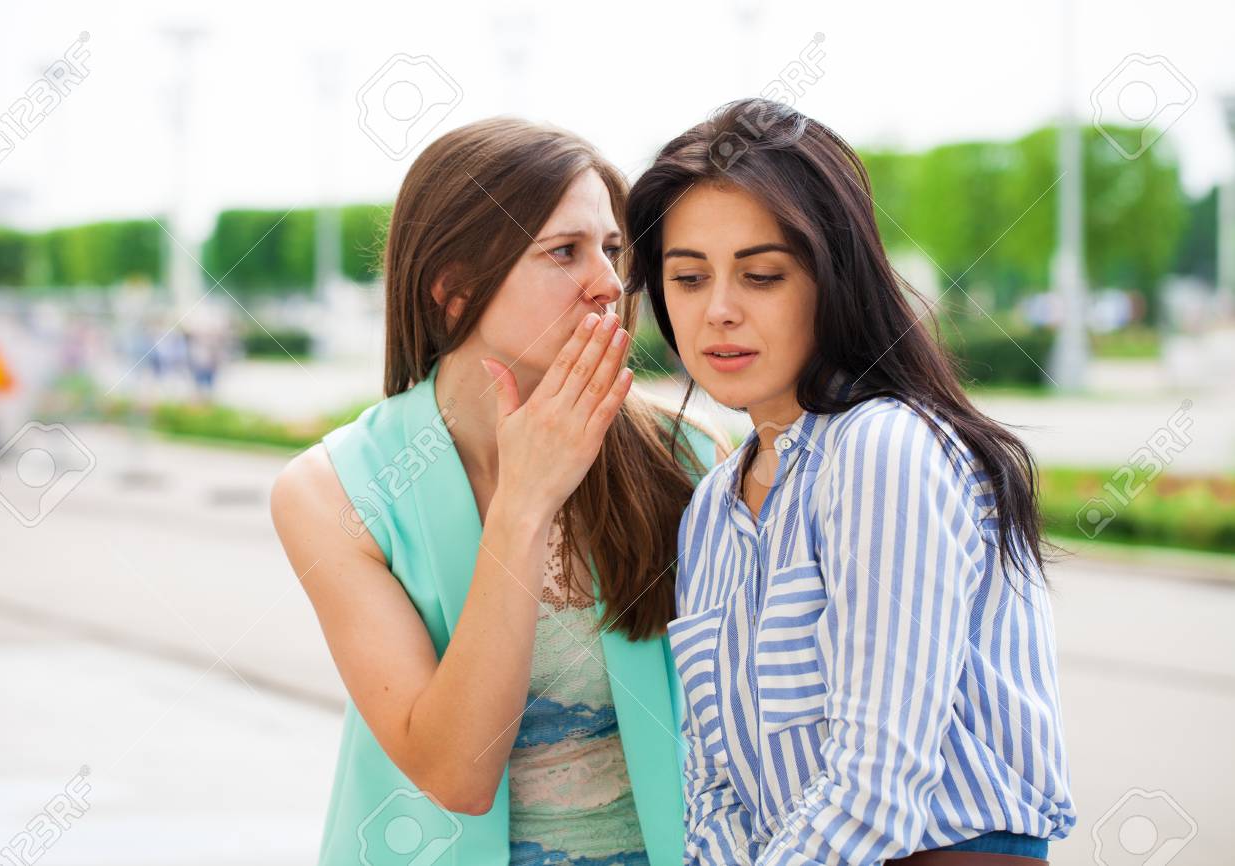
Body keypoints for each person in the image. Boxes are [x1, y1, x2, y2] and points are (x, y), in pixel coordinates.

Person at [625, 99, 1076, 865]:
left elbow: (874, 787)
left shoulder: (882, 449)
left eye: (762, 275)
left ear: (833, 276)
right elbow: (715, 788)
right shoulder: (711, 509)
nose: (719, 310)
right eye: (689, 277)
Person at [271, 117, 727, 866]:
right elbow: (456, 773)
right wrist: (524, 503)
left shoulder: (691, 456)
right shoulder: (332, 492)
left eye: (612, 250)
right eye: (564, 251)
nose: (609, 284)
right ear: (455, 290)